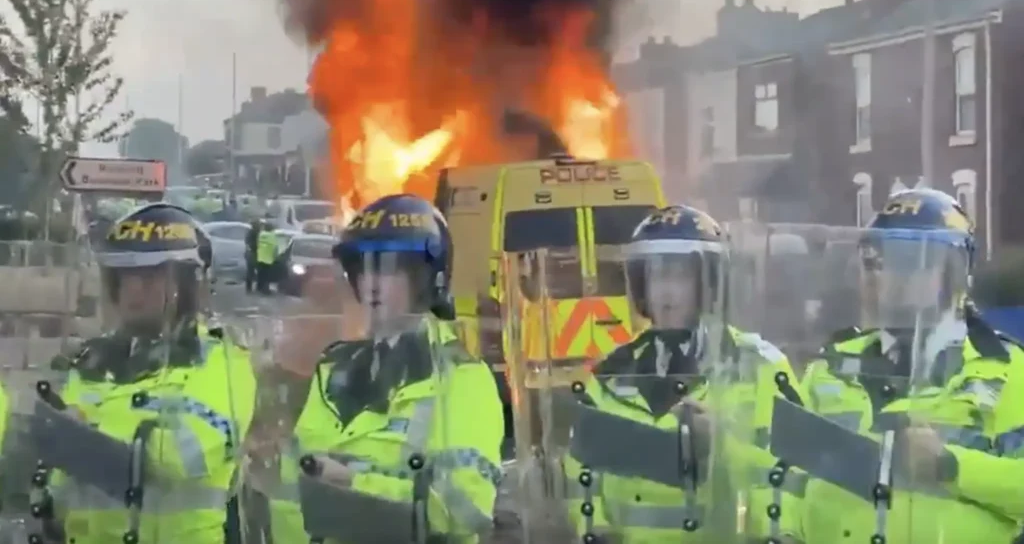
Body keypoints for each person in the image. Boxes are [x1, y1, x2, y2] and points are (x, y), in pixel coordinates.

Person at [525, 204, 806, 543]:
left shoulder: (759, 367)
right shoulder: (610, 375)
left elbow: (787, 473)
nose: (665, 293)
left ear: (710, 283)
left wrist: (720, 448)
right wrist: (594, 531)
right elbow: (582, 473)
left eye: (679, 276)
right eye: (657, 276)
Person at [241, 194, 504, 543]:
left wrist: (351, 484)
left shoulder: (462, 378)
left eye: (390, 268)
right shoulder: (333, 369)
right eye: (363, 267)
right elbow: (293, 494)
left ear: (427, 279)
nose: (372, 282)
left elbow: (468, 509)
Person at [9, 202, 257, 544]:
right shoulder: (92, 362)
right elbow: (45, 464)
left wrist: (82, 433)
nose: (134, 289)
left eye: (151, 276)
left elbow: (182, 458)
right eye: (125, 277)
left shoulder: (220, 361)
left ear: (185, 286)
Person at [796, 188, 1024, 543]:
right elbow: (782, 482)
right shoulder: (829, 369)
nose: (893, 277)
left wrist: (950, 465)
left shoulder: (1009, 369)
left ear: (954, 271)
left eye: (914, 261)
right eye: (882, 262)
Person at [255, 220, 277, 295]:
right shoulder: (272, 236)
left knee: (260, 274)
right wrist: (275, 256)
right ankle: (265, 290)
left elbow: (258, 244)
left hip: (260, 257)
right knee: (267, 276)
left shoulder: (261, 234)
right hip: (268, 259)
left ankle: (258, 288)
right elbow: (275, 248)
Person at [245, 219, 261, 294]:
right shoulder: (253, 233)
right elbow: (249, 243)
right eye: (258, 224)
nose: (259, 226)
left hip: (253, 254)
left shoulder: (255, 233)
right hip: (253, 254)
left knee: (253, 271)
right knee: (251, 271)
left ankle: (252, 288)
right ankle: (250, 288)